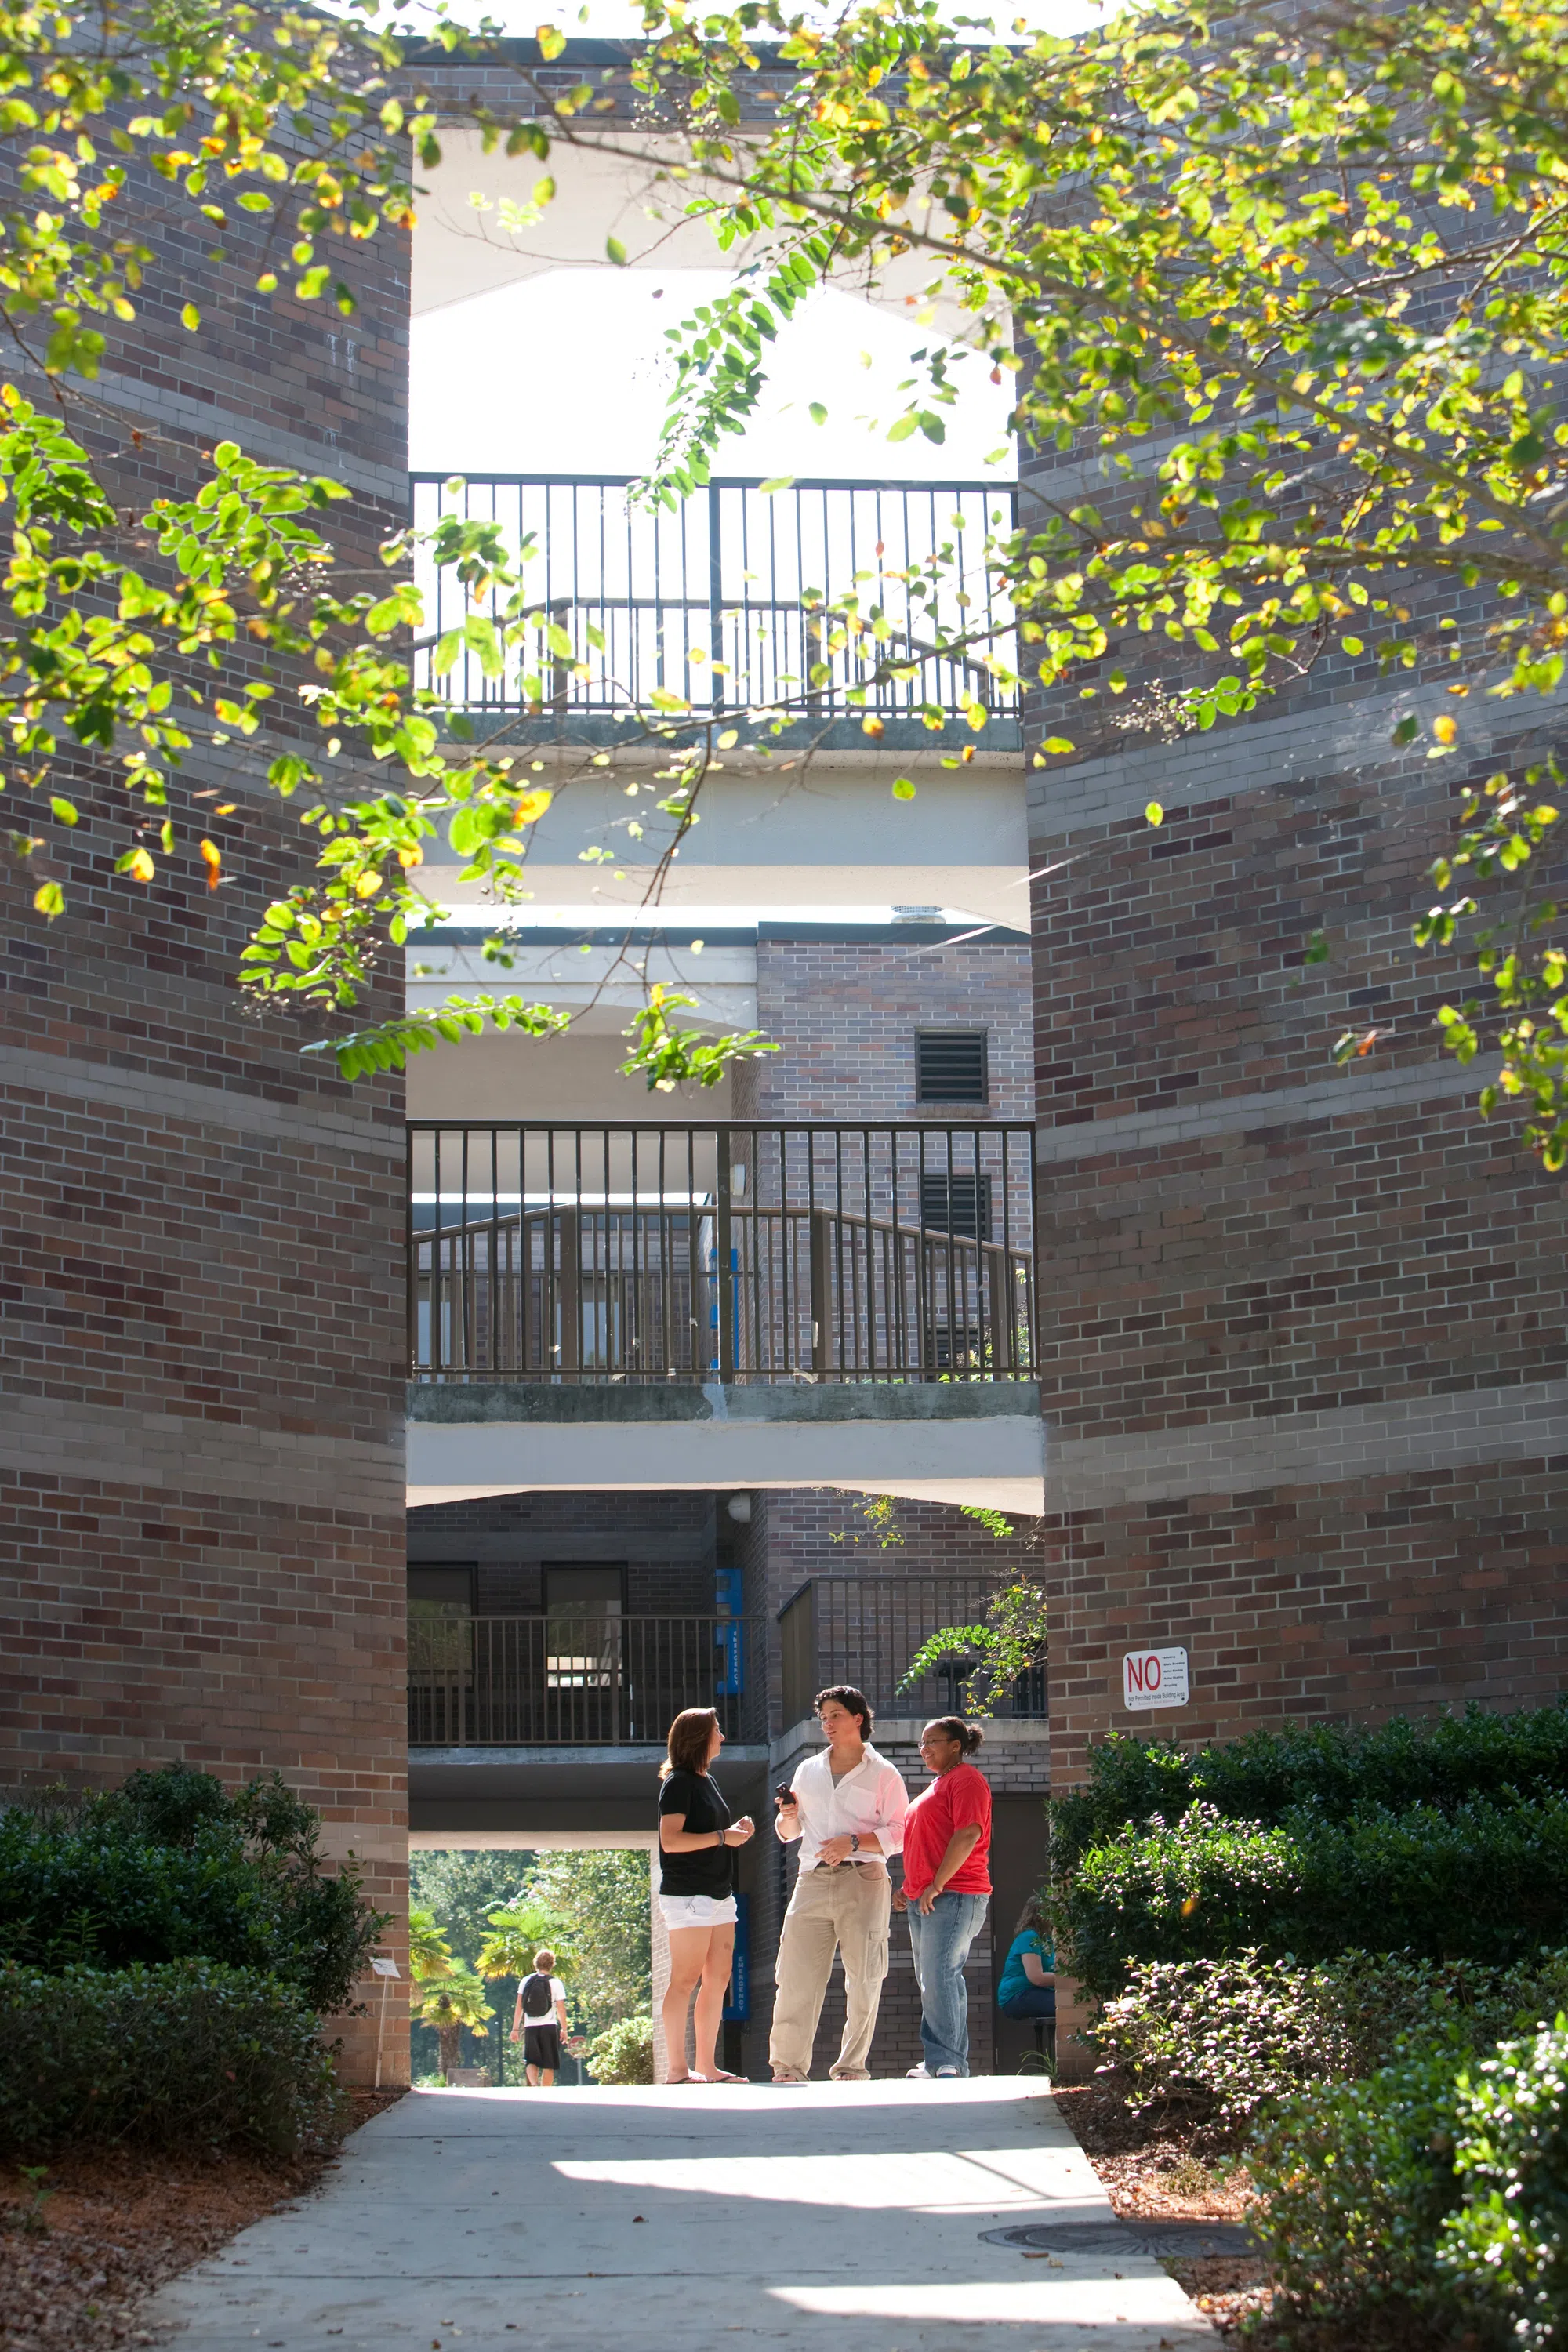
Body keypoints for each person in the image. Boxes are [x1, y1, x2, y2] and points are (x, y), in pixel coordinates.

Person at [770, 1685, 909, 2083]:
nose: (827, 1724)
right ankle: (787, 2068)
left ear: (858, 1719)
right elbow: (789, 1831)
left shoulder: (884, 1772)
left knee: (864, 1977)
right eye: (823, 1718)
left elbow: (901, 1832)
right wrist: (789, 1814)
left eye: (835, 1715)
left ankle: (851, 2067)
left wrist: (852, 1841)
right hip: (811, 1879)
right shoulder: (807, 1770)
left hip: (864, 1879)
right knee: (795, 1976)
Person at [657, 1704, 755, 2083]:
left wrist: (733, 1831)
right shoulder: (678, 1782)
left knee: (719, 1978)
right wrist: (721, 1837)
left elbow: (705, 1835)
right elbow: (671, 1841)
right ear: (699, 1737)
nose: (724, 1737)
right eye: (718, 1729)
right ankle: (678, 2070)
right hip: (688, 1897)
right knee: (685, 1979)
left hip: (718, 1893)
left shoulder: (705, 1780)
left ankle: (707, 2067)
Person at [895, 1716, 993, 2080]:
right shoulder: (939, 1784)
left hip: (955, 1893)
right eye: (921, 1744)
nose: (925, 1749)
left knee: (941, 1975)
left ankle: (949, 2061)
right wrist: (911, 1888)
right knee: (931, 1979)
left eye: (932, 1742)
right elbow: (928, 1844)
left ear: (956, 1745)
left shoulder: (966, 1779)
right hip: (928, 1897)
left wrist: (936, 1884)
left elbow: (968, 1834)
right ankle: (937, 2059)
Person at [510, 1946, 570, 2087]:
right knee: (549, 2063)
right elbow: (561, 2008)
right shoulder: (555, 1983)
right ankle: (545, 2092)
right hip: (549, 2026)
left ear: (535, 1963)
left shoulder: (526, 1981)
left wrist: (515, 2029)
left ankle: (535, 2086)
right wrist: (564, 2029)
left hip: (530, 2025)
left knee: (531, 2060)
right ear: (552, 1964)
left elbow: (519, 2006)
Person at [996, 1895, 1056, 2032]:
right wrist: (1067, 1980)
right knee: (1065, 2003)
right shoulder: (1029, 1936)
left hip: (1037, 1992)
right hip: (1018, 1996)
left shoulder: (1046, 1939)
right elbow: (1037, 1978)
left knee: (1066, 2001)